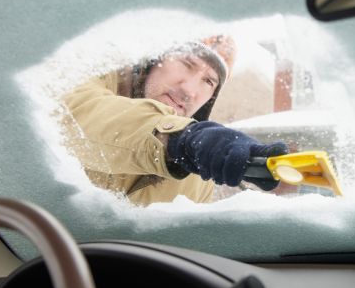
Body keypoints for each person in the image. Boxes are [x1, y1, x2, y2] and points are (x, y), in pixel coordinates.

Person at [60, 35, 288, 206]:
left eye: (208, 81)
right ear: (155, 59)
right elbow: (78, 119)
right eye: (186, 64)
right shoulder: (86, 78)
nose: (189, 90)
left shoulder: (199, 175)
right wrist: (179, 139)